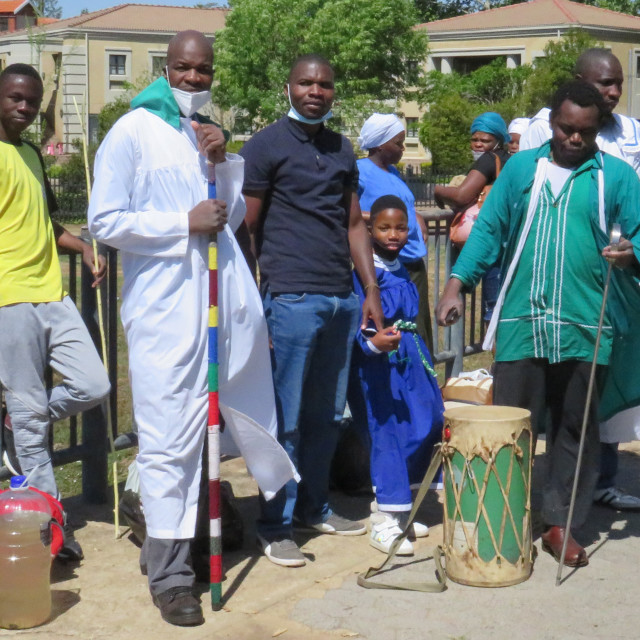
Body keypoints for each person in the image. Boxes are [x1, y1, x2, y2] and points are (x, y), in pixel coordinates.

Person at [88, 31, 296, 626]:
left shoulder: (203, 130)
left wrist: (219, 160)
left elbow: (223, 213)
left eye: (204, 70)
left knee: (208, 435)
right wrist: (181, 223)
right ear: (166, 68)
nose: (194, 79)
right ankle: (172, 577)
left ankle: (182, 545)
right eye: (184, 68)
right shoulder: (132, 131)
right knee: (168, 441)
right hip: (163, 311)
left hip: (213, 304)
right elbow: (106, 218)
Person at [436, 81, 640, 568]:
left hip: (586, 325)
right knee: (513, 424)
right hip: (521, 321)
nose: (575, 139)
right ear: (552, 125)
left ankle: (560, 524)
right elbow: (490, 229)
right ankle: (511, 516)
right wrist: (455, 284)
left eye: (586, 133)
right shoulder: (521, 170)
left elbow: (637, 231)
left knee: (576, 427)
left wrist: (632, 253)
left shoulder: (615, 177)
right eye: (567, 129)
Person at [240, 54, 383, 568]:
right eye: (306, 82)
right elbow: (247, 227)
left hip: (339, 298)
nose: (315, 91)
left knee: (326, 416)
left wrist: (368, 288)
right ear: (289, 87)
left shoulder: (341, 148)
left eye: (324, 83)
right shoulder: (265, 146)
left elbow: (353, 225)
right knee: (287, 420)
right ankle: (274, 522)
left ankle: (314, 507)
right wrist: (259, 295)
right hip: (291, 299)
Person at [520, 48, 640, 512]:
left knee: (599, 382)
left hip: (611, 276)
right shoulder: (538, 128)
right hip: (549, 278)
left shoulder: (630, 134)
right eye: (602, 83)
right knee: (548, 386)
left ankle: (599, 481)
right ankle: (535, 493)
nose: (611, 92)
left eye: (617, 84)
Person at [0, 63, 111, 560]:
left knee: (95, 384)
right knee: (29, 424)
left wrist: (82, 246)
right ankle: (51, 526)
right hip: (9, 299)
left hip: (52, 291)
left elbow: (42, 219)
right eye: (15, 98)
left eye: (31, 101)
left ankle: (18, 423)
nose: (24, 108)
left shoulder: (27, 153)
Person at [350, 195, 443, 556]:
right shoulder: (364, 272)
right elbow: (360, 320)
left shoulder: (402, 266)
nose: (393, 234)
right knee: (387, 429)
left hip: (411, 356)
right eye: (385, 227)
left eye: (401, 227)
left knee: (427, 420)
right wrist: (374, 344)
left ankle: (404, 504)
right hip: (380, 359)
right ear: (370, 229)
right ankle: (386, 517)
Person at [357, 114, 433, 351]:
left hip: (411, 262)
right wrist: (378, 220)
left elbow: (403, 204)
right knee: (399, 328)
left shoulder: (393, 172)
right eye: (398, 143)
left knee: (419, 327)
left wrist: (415, 216)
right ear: (380, 143)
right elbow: (347, 211)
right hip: (388, 265)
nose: (402, 148)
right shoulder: (360, 171)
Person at [434, 112, 511, 324]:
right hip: (508, 243)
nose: (478, 145)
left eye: (485, 140)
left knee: (493, 315)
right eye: (474, 139)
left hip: (492, 246)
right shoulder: (511, 161)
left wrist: (439, 191)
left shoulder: (489, 160)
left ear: (498, 141)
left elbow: (462, 195)